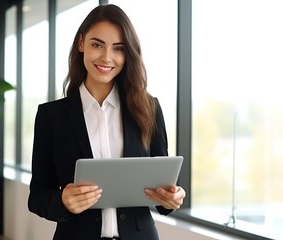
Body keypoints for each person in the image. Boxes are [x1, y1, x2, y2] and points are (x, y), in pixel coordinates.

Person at [28, 4, 186, 240]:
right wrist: (62, 201)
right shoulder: (52, 117)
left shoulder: (148, 109)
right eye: (97, 44)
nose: (107, 57)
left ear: (128, 54)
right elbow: (37, 197)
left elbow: (163, 193)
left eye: (118, 48)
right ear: (81, 44)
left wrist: (172, 198)